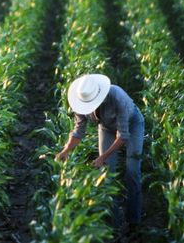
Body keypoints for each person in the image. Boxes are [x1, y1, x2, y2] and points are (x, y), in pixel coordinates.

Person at [54, 73, 145, 230]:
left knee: (132, 171)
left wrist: (102, 157)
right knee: (107, 174)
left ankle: (133, 221)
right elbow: (78, 131)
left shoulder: (117, 97)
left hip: (132, 123)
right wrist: (66, 150)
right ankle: (114, 224)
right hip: (106, 127)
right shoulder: (80, 101)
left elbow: (123, 137)